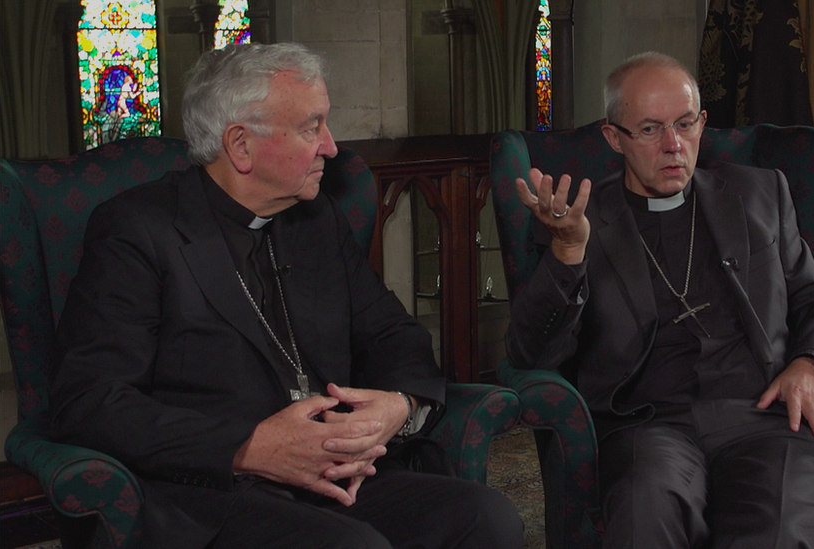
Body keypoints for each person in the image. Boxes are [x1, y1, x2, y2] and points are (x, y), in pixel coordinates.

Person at [50, 43, 523, 549]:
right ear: (241, 146)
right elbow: (91, 400)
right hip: (220, 493)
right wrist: (249, 447)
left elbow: (392, 333)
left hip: (339, 475)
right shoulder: (138, 231)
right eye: (310, 127)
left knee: (486, 518)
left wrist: (397, 404)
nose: (331, 147)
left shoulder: (315, 220)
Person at [506, 51, 814, 548]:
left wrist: (809, 365)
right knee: (646, 511)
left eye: (685, 124)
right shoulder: (576, 221)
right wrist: (568, 250)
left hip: (766, 418)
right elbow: (531, 354)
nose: (673, 145)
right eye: (650, 129)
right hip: (649, 426)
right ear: (613, 137)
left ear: (703, 122)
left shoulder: (760, 194)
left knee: (778, 524)